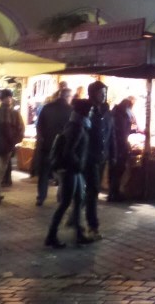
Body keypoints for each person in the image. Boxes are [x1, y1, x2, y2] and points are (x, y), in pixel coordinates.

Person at [44, 99, 93, 248]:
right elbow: (69, 151)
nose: (91, 112)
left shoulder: (78, 124)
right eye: (89, 110)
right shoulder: (77, 127)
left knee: (79, 200)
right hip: (70, 170)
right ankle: (51, 236)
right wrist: (78, 164)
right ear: (84, 111)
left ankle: (78, 233)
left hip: (75, 170)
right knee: (65, 203)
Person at [84, 81, 114, 240]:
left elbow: (111, 134)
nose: (103, 96)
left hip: (102, 157)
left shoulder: (107, 112)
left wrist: (112, 154)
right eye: (100, 93)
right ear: (92, 94)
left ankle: (78, 218)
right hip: (90, 158)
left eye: (105, 93)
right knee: (93, 190)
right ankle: (92, 226)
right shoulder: (86, 111)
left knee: (92, 191)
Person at [34, 86, 72, 206]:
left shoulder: (47, 107)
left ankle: (41, 197)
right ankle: (60, 196)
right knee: (62, 173)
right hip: (62, 147)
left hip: (47, 145)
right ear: (67, 97)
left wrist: (43, 138)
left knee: (44, 174)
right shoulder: (70, 110)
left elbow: (39, 126)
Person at [0, 90, 24, 205]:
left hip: (4, 145)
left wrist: (15, 141)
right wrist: (14, 140)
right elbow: (20, 129)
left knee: (0, 169)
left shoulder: (13, 113)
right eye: (6, 97)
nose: (9, 99)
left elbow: (21, 129)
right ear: (1, 99)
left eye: (10, 97)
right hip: (1, 145)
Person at [109, 97, 134, 202]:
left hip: (115, 146)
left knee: (115, 170)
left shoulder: (116, 112)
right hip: (119, 146)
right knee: (118, 170)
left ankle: (113, 193)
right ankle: (115, 193)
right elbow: (122, 132)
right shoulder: (121, 115)